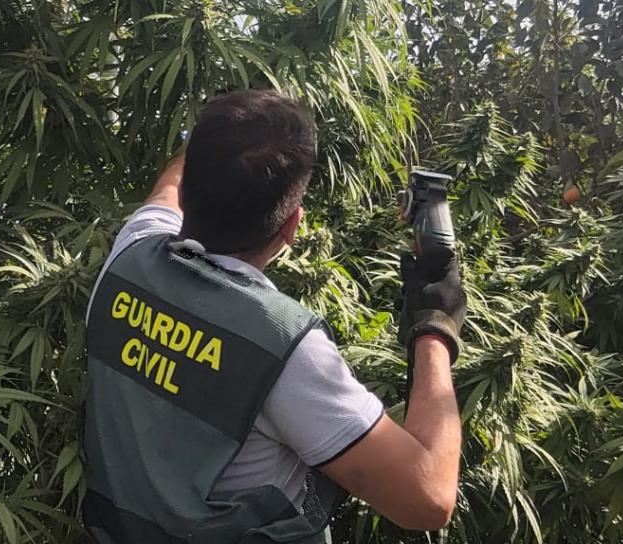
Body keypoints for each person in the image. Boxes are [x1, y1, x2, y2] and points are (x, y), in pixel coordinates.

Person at [82, 89, 466, 544]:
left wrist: (227, 128)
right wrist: (434, 324)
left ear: (188, 193)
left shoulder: (131, 255)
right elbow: (428, 497)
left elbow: (166, 187)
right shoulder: (284, 349)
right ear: (292, 226)